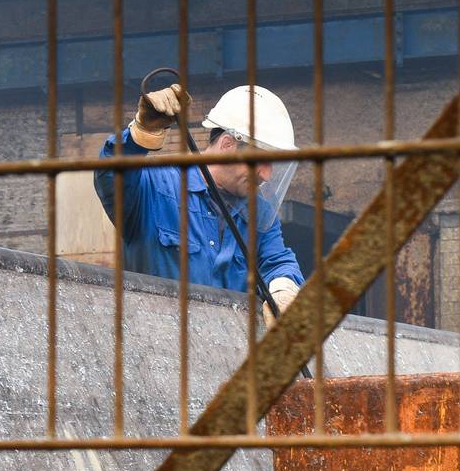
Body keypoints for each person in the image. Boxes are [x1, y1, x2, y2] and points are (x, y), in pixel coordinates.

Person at [96, 82, 305, 315]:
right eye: (262, 161)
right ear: (227, 145)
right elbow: (110, 175)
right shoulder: (155, 188)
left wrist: (284, 288)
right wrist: (139, 134)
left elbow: (277, 261)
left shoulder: (259, 214)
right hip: (154, 334)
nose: (266, 175)